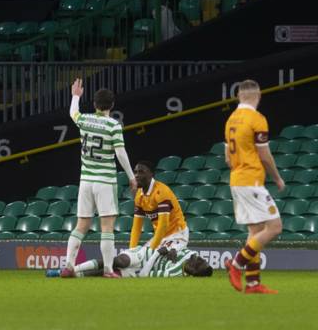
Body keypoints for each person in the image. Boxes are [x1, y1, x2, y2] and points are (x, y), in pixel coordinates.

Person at [61, 78, 137, 278]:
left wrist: (75, 96)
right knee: (107, 226)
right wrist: (131, 177)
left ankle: (68, 265)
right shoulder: (113, 126)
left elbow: (72, 113)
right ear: (112, 105)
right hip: (105, 181)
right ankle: (108, 270)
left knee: (81, 225)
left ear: (94, 104)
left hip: (85, 181)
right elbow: (121, 154)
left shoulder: (85, 120)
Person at [224, 79, 284, 294]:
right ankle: (236, 264)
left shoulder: (231, 120)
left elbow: (227, 158)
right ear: (257, 96)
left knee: (255, 231)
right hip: (251, 180)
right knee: (275, 227)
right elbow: (265, 155)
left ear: (239, 96)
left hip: (236, 180)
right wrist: (277, 177)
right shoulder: (257, 119)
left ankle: (252, 283)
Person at [129, 160, 189, 251]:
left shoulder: (161, 191)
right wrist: (131, 250)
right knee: (139, 259)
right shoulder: (139, 195)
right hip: (160, 236)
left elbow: (163, 225)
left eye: (141, 172)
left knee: (150, 261)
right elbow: (136, 227)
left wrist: (151, 250)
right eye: (135, 172)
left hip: (177, 235)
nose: (136, 175)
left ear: (151, 174)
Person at [49, 246, 213, 278]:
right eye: (201, 260)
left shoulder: (174, 273)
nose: (197, 259)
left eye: (198, 264)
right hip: (142, 255)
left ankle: (69, 275)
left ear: (194, 273)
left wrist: (157, 254)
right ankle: (70, 269)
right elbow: (176, 242)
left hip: (142, 268)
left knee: (102, 274)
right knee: (118, 261)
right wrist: (174, 247)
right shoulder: (192, 255)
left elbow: (144, 275)